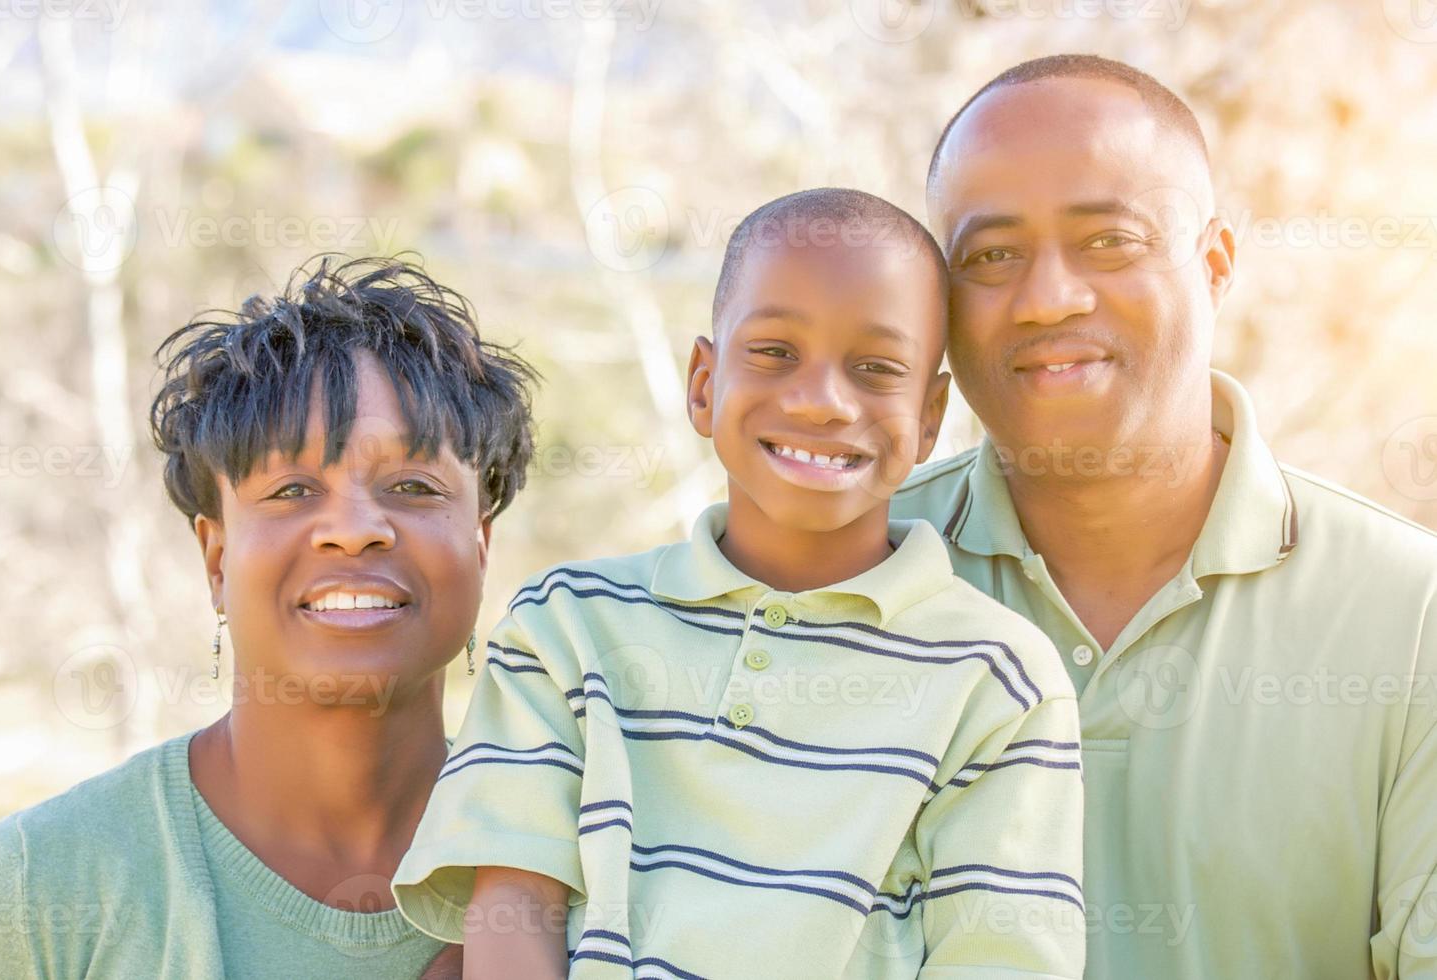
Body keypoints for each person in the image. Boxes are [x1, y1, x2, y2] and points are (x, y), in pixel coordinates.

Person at [391, 189, 1087, 978]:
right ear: (702, 383)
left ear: (929, 417)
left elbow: (996, 960)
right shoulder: (568, 627)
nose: (823, 400)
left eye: (875, 368)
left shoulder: (997, 681)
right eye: (775, 353)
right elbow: (513, 919)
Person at [891, 54, 1437, 978]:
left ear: (1215, 264)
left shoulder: (1413, 617)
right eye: (991, 256)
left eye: (1109, 241)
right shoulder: (844, 579)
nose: (1049, 296)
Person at [0, 256, 538, 978]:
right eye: (293, 490)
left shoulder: (577, 873)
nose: (356, 529)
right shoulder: (28, 892)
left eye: (413, 485)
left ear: (480, 545)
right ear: (217, 558)